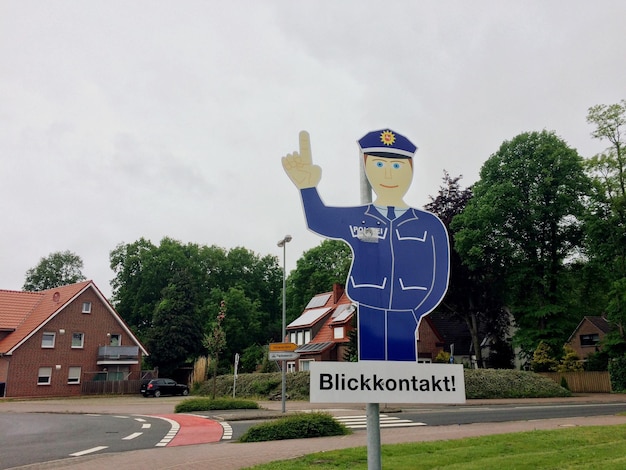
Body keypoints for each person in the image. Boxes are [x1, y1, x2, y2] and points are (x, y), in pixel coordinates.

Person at [282, 129, 449, 361]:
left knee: (402, 374)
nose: (388, 176)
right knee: (373, 370)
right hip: (370, 310)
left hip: (407, 312)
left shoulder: (430, 225)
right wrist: (307, 188)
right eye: (379, 166)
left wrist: (415, 312)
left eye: (397, 166)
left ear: (411, 169)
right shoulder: (360, 218)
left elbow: (439, 279)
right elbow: (319, 219)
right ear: (367, 168)